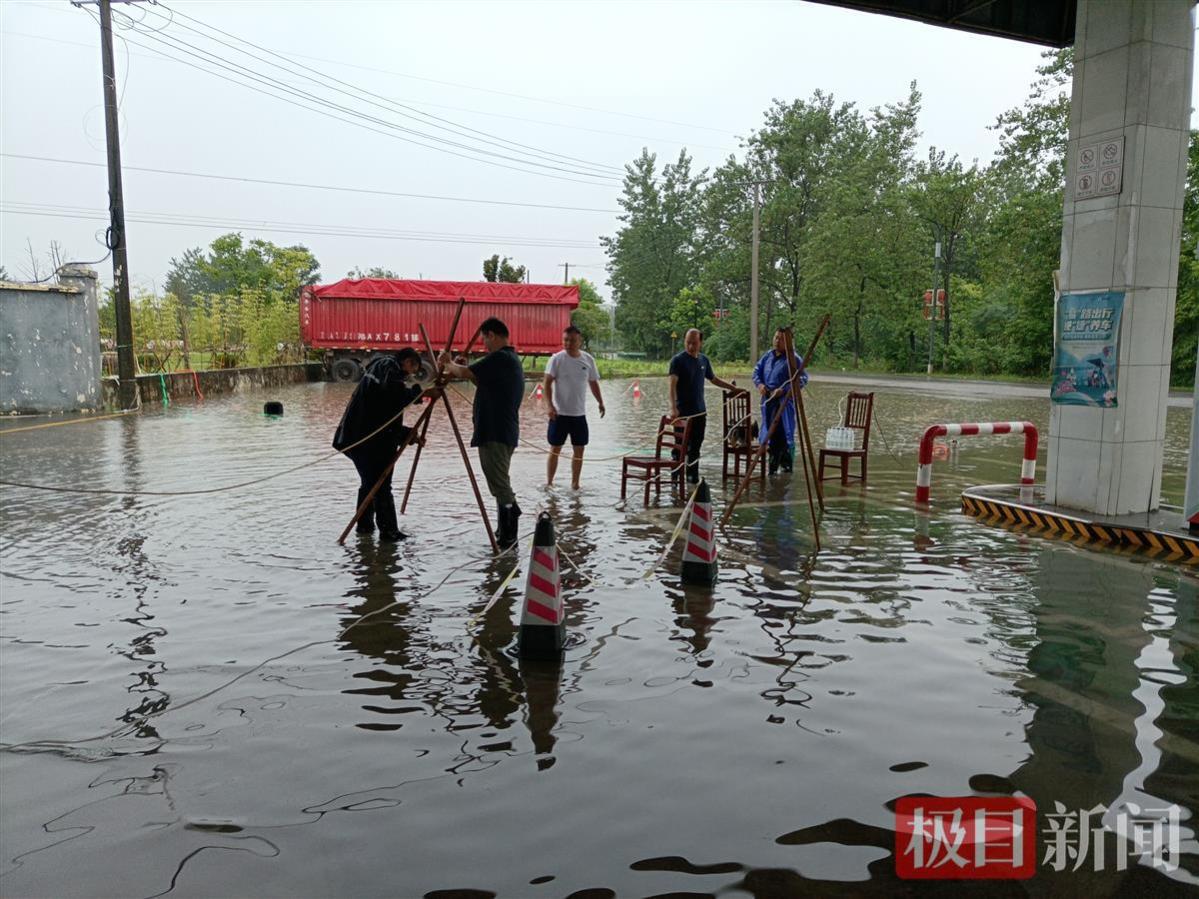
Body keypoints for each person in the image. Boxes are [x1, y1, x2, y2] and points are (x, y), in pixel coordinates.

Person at [440, 317, 524, 549]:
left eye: (484, 339)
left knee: (499, 484)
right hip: (501, 430)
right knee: (498, 482)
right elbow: (478, 378)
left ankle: (509, 534)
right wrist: (459, 368)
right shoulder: (508, 359)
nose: (484, 344)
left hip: (496, 431)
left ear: (492, 335)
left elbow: (465, 373)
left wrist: (447, 364)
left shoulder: (500, 357)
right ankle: (503, 531)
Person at [332, 348, 430, 541]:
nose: (409, 375)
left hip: (364, 438)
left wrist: (409, 436)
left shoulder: (381, 371)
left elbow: (383, 417)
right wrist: (420, 395)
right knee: (380, 485)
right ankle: (388, 532)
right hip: (363, 441)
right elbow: (394, 397)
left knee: (370, 485)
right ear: (408, 362)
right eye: (412, 369)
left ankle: (365, 529)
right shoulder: (387, 368)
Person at [668, 328, 746, 484]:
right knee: (679, 446)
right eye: (688, 342)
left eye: (694, 343)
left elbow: (714, 379)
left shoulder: (704, 361)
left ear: (700, 343)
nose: (691, 346)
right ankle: (675, 476)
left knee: (696, 445)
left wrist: (732, 388)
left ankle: (692, 476)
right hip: (682, 413)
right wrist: (673, 408)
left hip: (700, 412)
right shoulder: (677, 361)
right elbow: (671, 386)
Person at [544, 325, 605, 489]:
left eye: (572, 340)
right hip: (559, 413)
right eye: (565, 340)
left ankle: (575, 484)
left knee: (579, 450)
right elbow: (547, 383)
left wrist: (600, 402)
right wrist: (549, 406)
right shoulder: (556, 359)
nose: (568, 343)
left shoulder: (588, 359)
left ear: (580, 341)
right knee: (555, 448)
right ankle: (549, 482)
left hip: (579, 414)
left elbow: (593, 382)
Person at [752, 327, 809, 475]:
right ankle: (782, 467)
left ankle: (776, 467)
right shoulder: (767, 356)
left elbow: (802, 379)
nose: (777, 341)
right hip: (768, 400)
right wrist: (760, 385)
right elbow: (756, 372)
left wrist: (784, 390)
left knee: (780, 433)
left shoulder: (793, 358)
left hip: (783, 402)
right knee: (769, 432)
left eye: (781, 339)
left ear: (788, 342)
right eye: (776, 337)